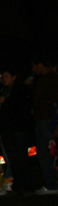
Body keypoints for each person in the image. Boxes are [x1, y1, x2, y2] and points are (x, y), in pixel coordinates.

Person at [0, 66, 34, 196]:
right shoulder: (3, 89)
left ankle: (28, 184)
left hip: (19, 127)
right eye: (3, 77)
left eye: (6, 76)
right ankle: (18, 184)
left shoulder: (21, 89)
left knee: (22, 156)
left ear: (14, 77)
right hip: (7, 128)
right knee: (12, 157)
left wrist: (7, 101)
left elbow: (23, 106)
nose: (4, 79)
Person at [31, 57, 58, 195]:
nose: (32, 69)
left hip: (45, 120)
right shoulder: (52, 78)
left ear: (40, 64)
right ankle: (51, 182)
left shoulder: (46, 79)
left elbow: (38, 100)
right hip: (49, 119)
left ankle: (51, 184)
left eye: (34, 65)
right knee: (51, 151)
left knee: (47, 152)